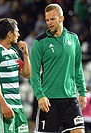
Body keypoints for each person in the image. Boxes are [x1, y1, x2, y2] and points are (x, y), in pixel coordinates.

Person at [30, 3, 87, 133]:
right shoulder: (40, 42)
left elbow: (77, 68)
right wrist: (40, 96)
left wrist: (82, 92)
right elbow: (34, 73)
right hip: (49, 100)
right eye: (47, 20)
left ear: (61, 18)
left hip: (70, 99)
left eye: (52, 19)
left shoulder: (74, 39)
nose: (49, 23)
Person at [0, 18, 31, 133]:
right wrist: (4, 105)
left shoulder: (14, 52)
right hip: (4, 107)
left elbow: (26, 74)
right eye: (17, 32)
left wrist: (25, 54)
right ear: (10, 34)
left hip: (18, 106)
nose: (19, 35)